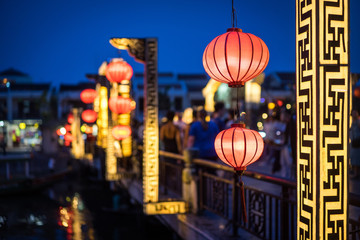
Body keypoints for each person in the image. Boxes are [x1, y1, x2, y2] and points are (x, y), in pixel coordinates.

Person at [350, 109, 360, 178]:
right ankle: (356, 173)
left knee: (357, 157)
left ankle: (356, 174)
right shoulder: (352, 122)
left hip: (358, 141)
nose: (354, 114)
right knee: (354, 157)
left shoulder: (358, 121)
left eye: (355, 113)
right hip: (354, 141)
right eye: (353, 113)